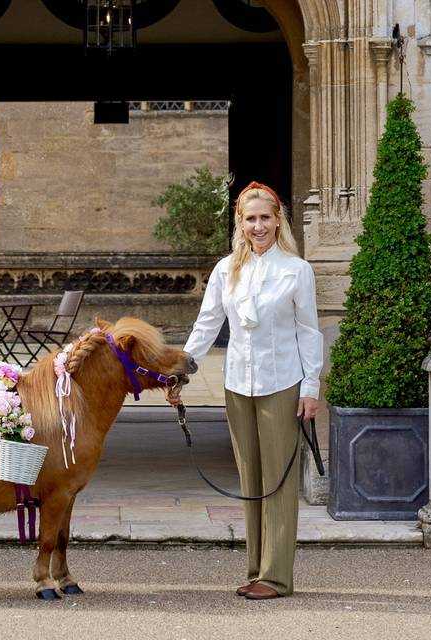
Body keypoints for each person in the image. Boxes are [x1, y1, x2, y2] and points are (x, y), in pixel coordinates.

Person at [167, 181, 323, 600]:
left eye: (265, 218)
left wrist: (311, 387)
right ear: (241, 222)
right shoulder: (224, 270)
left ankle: (276, 576)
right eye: (251, 219)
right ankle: (255, 569)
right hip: (238, 384)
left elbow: (309, 332)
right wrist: (179, 371)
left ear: (278, 221)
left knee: (278, 481)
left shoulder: (296, 270)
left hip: (282, 383)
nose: (258, 226)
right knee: (251, 479)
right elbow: (207, 325)